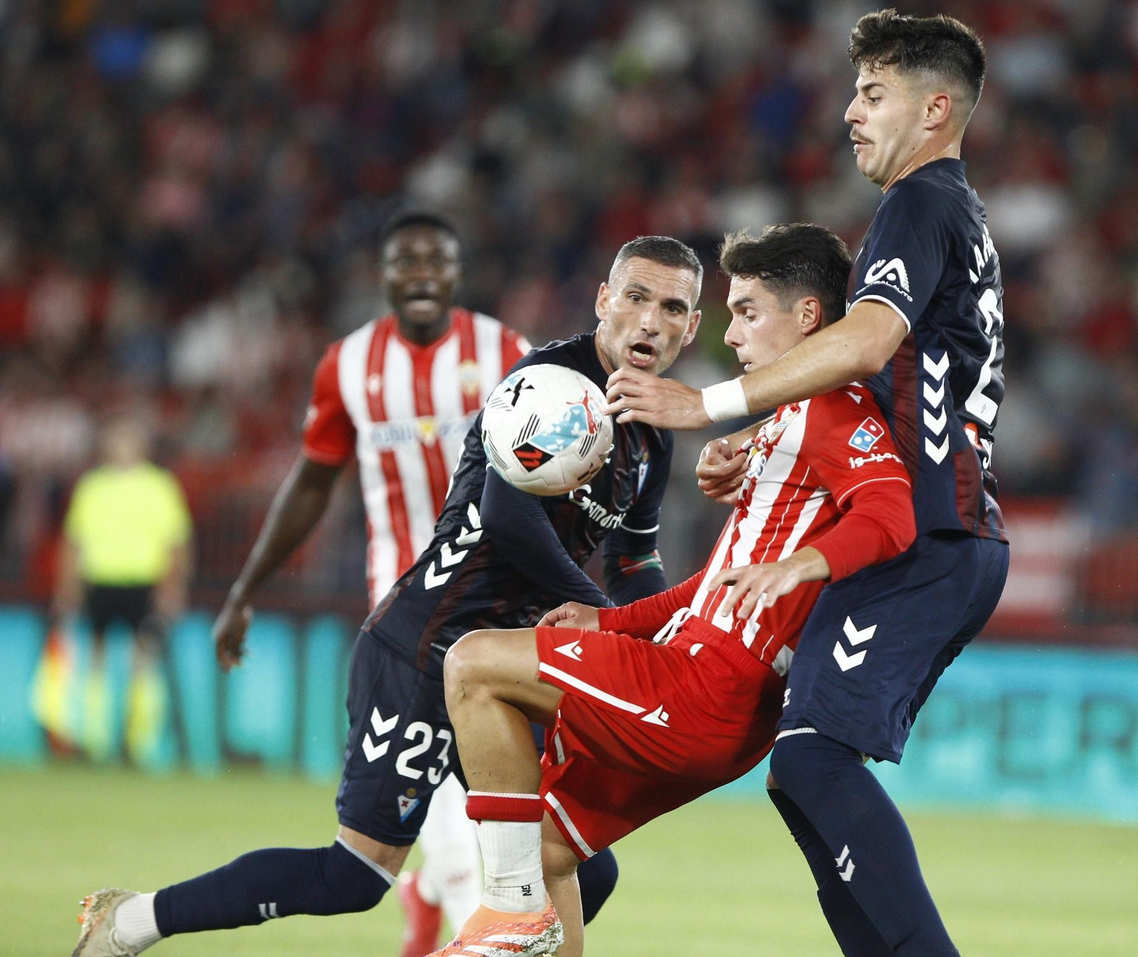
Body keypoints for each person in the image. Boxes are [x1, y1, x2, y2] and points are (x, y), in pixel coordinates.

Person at [70, 235, 698, 957]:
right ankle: (131, 922)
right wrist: (600, 608)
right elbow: (506, 516)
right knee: (354, 878)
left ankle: (449, 917)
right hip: (425, 648)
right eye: (637, 298)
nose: (650, 321)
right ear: (604, 301)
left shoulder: (654, 431)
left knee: (582, 868)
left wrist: (665, 627)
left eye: (672, 307)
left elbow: (635, 554)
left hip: (501, 670)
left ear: (690, 323)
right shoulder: (553, 383)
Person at [606, 10, 1009, 956]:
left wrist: (708, 407)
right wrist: (770, 446)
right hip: (942, 531)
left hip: (925, 537)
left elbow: (867, 342)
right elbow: (893, 386)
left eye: (874, 95)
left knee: (813, 760)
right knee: (800, 775)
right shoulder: (960, 218)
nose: (849, 115)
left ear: (936, 107)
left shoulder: (920, 203)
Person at [428, 223, 916, 957]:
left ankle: (508, 909)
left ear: (808, 318)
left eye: (748, 310)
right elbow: (709, 589)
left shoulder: (834, 406)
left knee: (472, 664)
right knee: (544, 848)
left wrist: (802, 567)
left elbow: (892, 513)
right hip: (707, 686)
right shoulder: (788, 418)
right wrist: (611, 623)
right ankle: (519, 908)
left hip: (704, 689)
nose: (733, 329)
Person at [207, 206, 531, 955]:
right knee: (451, 828)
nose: (421, 275)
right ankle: (452, 905)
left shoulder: (505, 352)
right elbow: (312, 483)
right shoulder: (348, 365)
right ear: (381, 275)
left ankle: (424, 894)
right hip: (406, 619)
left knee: (493, 798)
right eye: (405, 263)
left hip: (496, 606)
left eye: (436, 262)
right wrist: (243, 591)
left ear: (456, 272)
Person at [54, 415, 193, 762]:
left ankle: (135, 740)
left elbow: (177, 542)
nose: (123, 447)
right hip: (100, 581)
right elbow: (74, 541)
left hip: (142, 582)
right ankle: (93, 738)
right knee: (95, 660)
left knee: (141, 662)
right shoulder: (92, 486)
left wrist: (172, 587)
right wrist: (67, 587)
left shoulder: (160, 486)